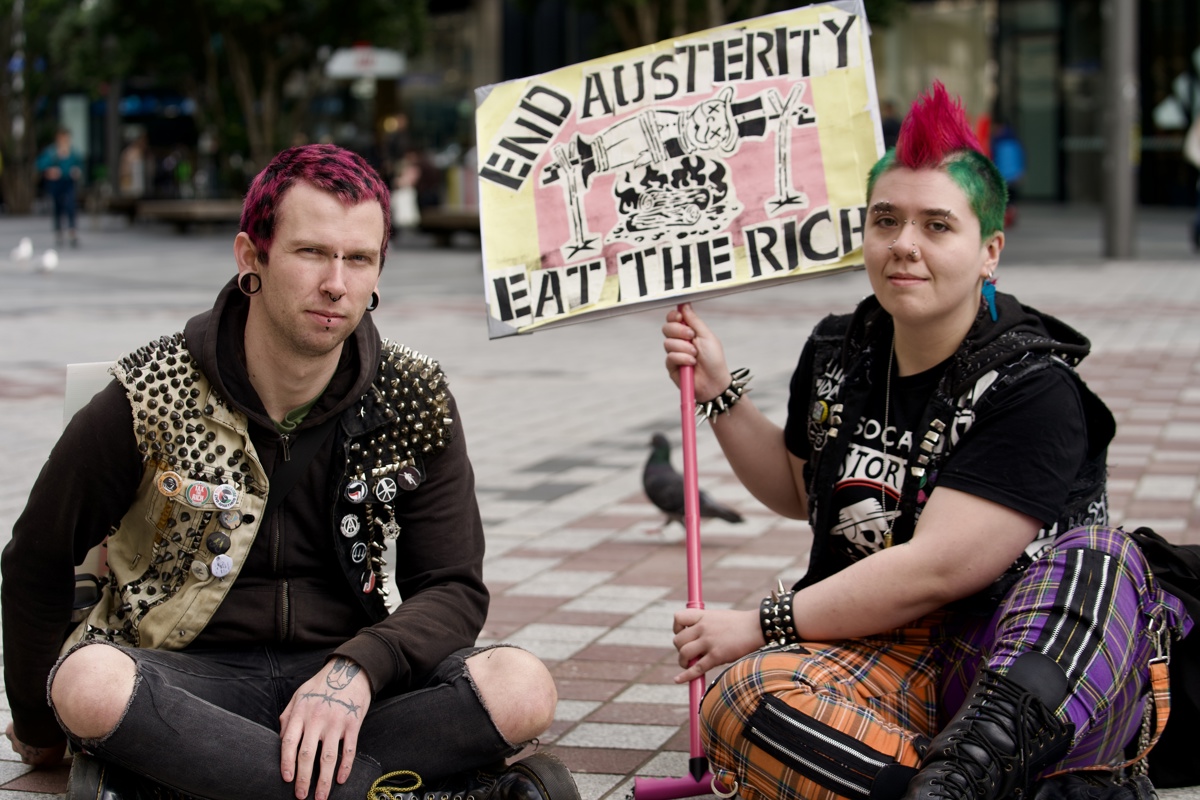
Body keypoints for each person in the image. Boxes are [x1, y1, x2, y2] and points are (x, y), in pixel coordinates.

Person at [660, 83, 1190, 800]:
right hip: (882, 652)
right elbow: (795, 489)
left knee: (1101, 559)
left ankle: (975, 776)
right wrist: (719, 395)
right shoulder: (838, 351)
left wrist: (763, 620)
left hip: (1029, 659)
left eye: (937, 226)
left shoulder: (1034, 387)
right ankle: (987, 788)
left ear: (989, 251)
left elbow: (937, 569)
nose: (904, 244)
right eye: (886, 220)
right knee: (743, 700)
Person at [2, 144, 578, 800]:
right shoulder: (152, 388)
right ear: (253, 257)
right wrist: (36, 723)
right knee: (88, 685)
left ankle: (186, 782)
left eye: (358, 259)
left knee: (523, 687)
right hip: (190, 683)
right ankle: (402, 791)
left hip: (352, 679)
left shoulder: (411, 396)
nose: (336, 283)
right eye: (311, 253)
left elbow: (451, 586)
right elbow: (35, 560)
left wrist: (356, 672)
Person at [36, 127, 84, 247]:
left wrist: (77, 171)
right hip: (56, 183)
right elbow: (40, 164)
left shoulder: (73, 152)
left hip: (68, 181)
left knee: (70, 206)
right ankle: (58, 231)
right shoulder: (51, 152)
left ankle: (72, 230)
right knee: (58, 206)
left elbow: (80, 165)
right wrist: (49, 171)